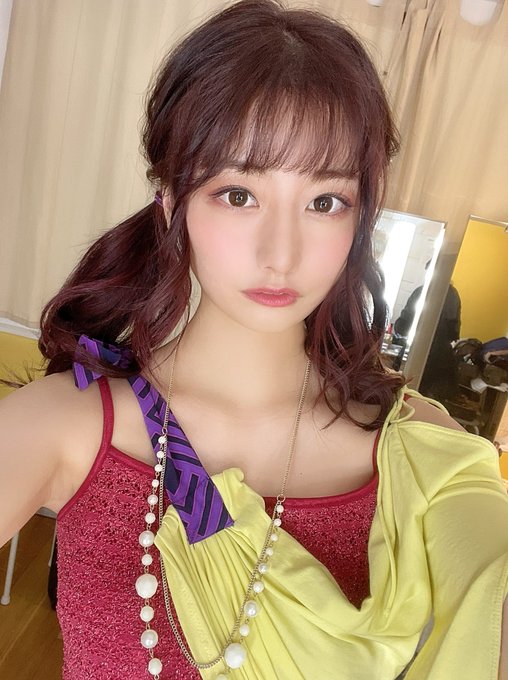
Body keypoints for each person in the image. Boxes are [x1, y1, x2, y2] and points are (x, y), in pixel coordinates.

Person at [1, 1, 507, 679]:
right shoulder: (66, 424)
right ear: (171, 201)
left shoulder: (423, 450)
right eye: (238, 193)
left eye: (325, 201)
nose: (281, 253)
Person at [392, 270, 462, 402]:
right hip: (440, 350)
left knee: (409, 384)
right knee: (428, 391)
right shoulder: (452, 294)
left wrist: (400, 333)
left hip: (421, 345)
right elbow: (454, 325)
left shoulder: (422, 291)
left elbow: (406, 317)